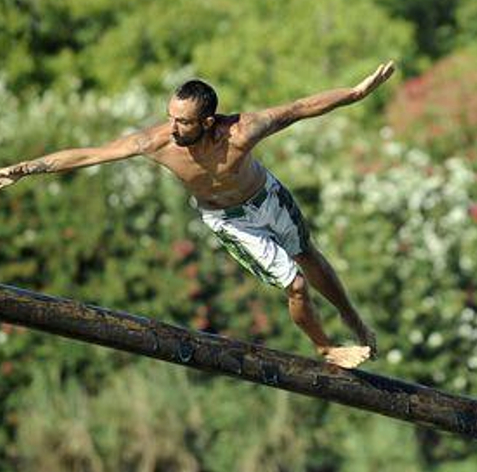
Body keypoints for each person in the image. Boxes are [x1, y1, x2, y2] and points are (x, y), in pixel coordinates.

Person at [0, 61, 396, 368]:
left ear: (207, 122)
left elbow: (300, 108)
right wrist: (27, 168)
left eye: (184, 122)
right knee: (294, 284)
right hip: (230, 220)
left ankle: (354, 320)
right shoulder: (156, 142)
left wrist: (356, 92)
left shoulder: (241, 131)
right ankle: (326, 348)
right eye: (171, 116)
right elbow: (90, 153)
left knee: (308, 253)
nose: (173, 127)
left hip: (268, 196)